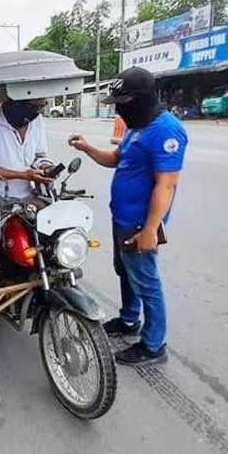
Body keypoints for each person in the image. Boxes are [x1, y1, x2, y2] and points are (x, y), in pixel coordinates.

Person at [68, 67, 188, 366]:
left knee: (146, 281)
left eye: (123, 101)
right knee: (125, 272)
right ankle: (129, 320)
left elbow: (167, 183)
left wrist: (150, 229)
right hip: (121, 218)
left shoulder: (166, 129)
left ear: (141, 99)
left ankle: (153, 345)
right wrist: (86, 148)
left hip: (139, 223)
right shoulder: (136, 127)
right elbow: (115, 160)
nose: (119, 108)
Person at [0, 98, 53, 264]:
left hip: (26, 195)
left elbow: (40, 155)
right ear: (16, 103)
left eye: (41, 106)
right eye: (34, 106)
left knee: (52, 228)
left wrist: (46, 167)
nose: (37, 111)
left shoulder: (37, 120)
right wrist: (25, 175)